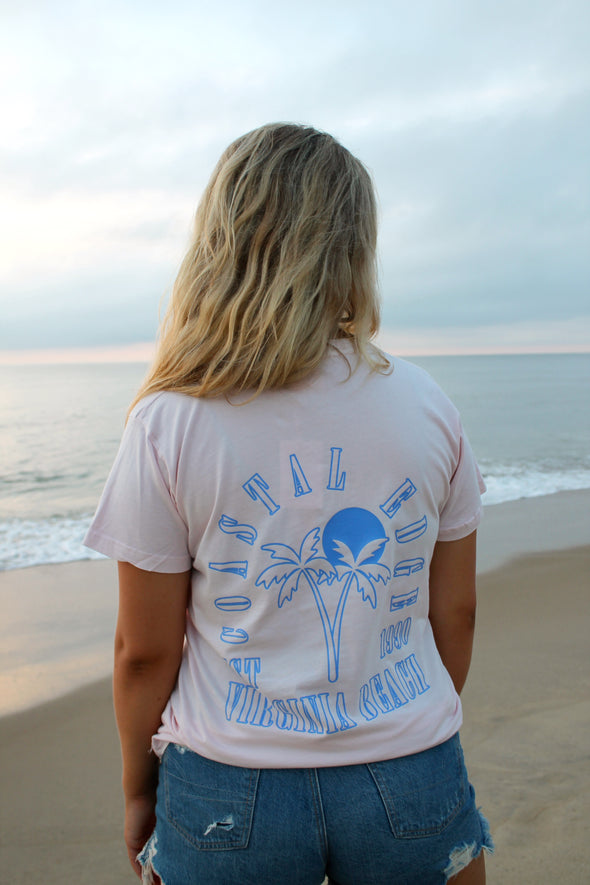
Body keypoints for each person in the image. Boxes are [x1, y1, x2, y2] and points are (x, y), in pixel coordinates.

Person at [85, 122, 493, 885]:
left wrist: (139, 789)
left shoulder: (171, 418)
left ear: (221, 240)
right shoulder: (426, 403)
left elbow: (144, 650)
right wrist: (400, 733)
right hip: (410, 766)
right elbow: (456, 611)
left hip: (228, 783)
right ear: (354, 246)